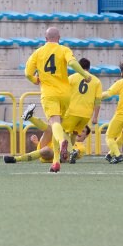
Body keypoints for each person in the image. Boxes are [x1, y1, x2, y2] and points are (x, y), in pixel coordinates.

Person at [24, 27, 95, 173]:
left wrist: (34, 79)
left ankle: (63, 140)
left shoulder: (38, 52)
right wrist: (84, 74)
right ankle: (56, 162)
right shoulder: (64, 49)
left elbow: (27, 73)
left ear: (45, 39)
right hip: (65, 93)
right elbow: (73, 63)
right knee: (59, 124)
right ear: (59, 37)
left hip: (49, 93)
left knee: (54, 123)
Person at [4, 103, 91, 164]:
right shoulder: (65, 136)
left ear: (86, 135)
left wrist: (73, 153)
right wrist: (37, 143)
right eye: (80, 129)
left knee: (46, 149)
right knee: (50, 129)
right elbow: (50, 143)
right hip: (46, 150)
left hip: (55, 156)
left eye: (83, 131)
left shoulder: (81, 147)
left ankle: (15, 159)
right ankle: (29, 117)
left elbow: (76, 154)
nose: (79, 132)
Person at [62, 57, 102, 163]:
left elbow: (64, 94)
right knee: (74, 133)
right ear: (89, 68)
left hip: (72, 111)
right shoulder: (97, 81)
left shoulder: (72, 78)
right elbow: (98, 101)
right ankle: (70, 154)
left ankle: (72, 150)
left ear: (78, 67)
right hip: (86, 114)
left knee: (63, 131)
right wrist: (95, 117)